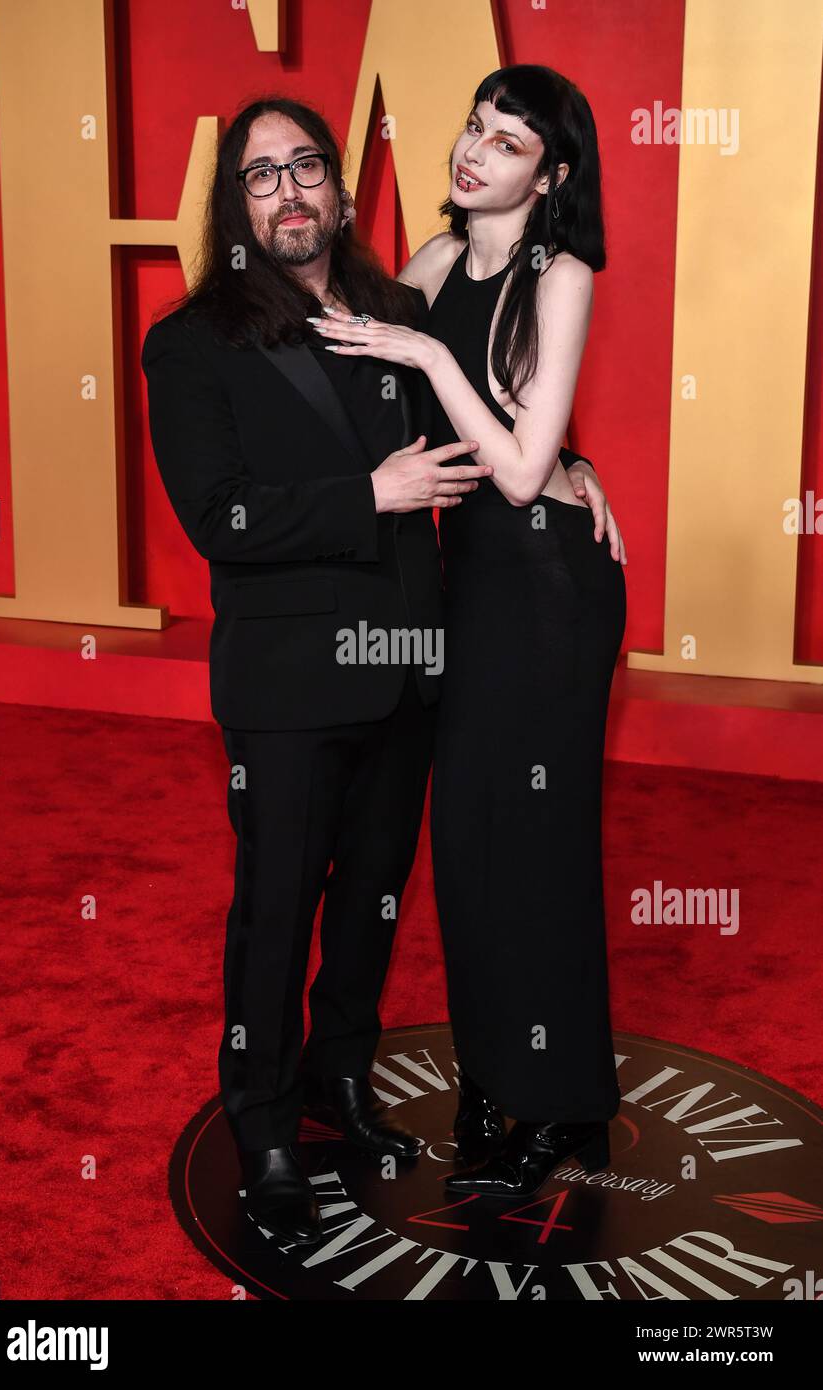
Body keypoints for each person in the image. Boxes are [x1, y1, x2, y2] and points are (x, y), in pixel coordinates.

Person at [142, 95, 617, 1246]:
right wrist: (368, 495)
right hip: (289, 683)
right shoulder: (189, 340)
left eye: (306, 166)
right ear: (237, 208)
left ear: (339, 188)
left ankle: (337, 1084)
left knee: (371, 907)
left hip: (413, 666)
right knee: (276, 913)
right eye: (262, 179)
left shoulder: (400, 301)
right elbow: (218, 516)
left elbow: (499, 421)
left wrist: (570, 467)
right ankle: (261, 1124)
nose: (289, 192)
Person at [308, 65, 627, 1200]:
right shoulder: (438, 262)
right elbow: (352, 366)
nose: (473, 152)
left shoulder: (562, 272)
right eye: (474, 128)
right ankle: (496, 1072)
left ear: (551, 175)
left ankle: (566, 1100)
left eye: (507, 142)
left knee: (536, 849)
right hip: (470, 587)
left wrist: (438, 360)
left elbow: (521, 465)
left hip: (551, 592)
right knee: (469, 848)